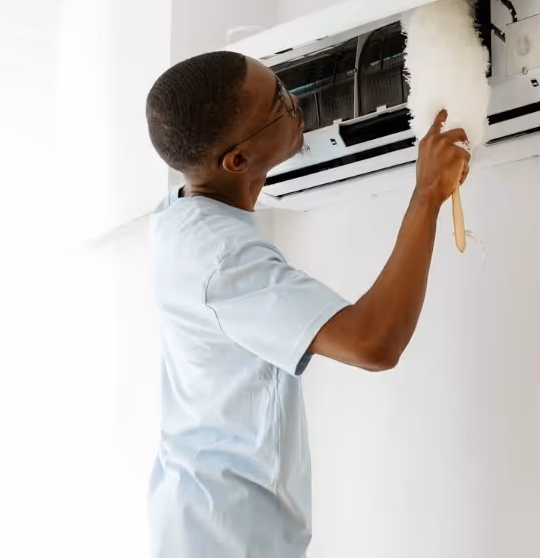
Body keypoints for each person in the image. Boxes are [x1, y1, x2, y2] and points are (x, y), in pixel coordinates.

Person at [144, 50, 469, 558]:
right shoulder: (223, 260)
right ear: (236, 160)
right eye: (279, 105)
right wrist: (427, 194)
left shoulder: (182, 214)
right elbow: (373, 342)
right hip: (226, 540)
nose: (296, 103)